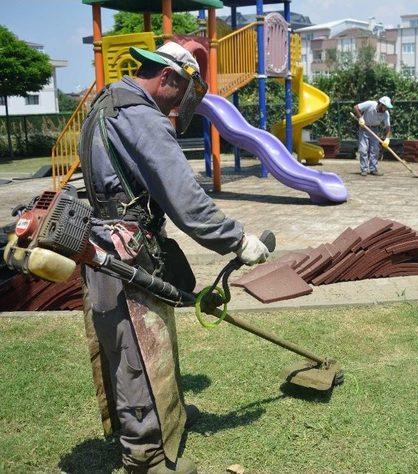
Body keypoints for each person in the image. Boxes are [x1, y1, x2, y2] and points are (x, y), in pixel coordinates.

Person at [78, 42, 269, 474]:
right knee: (136, 354)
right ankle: (145, 458)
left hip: (106, 245)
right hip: (126, 253)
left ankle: (169, 421)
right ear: (166, 78)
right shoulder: (142, 118)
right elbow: (186, 199)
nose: (182, 105)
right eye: (183, 92)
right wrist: (237, 240)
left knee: (141, 343)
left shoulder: (105, 104)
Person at [353, 96, 393, 176]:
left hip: (375, 130)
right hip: (364, 127)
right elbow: (356, 107)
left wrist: (387, 139)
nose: (386, 109)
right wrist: (361, 118)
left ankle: (373, 169)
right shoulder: (370, 104)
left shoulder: (386, 114)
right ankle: (364, 169)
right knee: (363, 149)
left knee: (375, 150)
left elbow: (388, 128)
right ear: (381, 104)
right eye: (385, 107)